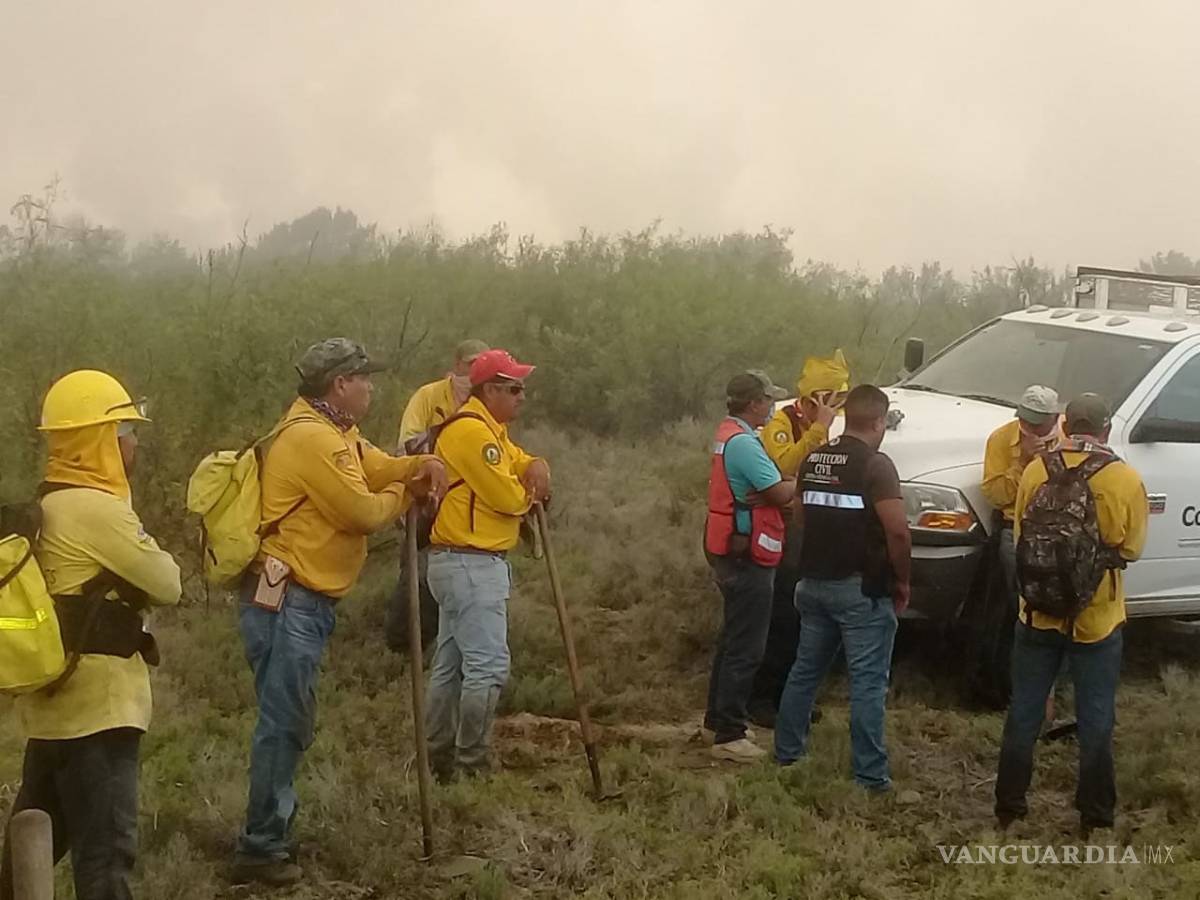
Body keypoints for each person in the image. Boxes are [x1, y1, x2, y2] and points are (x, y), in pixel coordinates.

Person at [233, 339, 446, 886]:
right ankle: (260, 846)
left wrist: (417, 464)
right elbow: (362, 511)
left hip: (303, 600)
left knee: (291, 720)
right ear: (339, 385)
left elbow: (377, 468)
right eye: (364, 379)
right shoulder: (312, 439)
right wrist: (410, 492)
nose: (372, 387)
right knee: (283, 724)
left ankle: (271, 831)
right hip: (288, 600)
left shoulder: (337, 433)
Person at [0, 370, 181, 900]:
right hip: (101, 715)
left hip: (51, 714)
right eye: (125, 429)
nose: (134, 442)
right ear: (99, 440)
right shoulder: (97, 510)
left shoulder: (46, 504)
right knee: (104, 863)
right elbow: (168, 583)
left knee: (23, 859)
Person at [995, 393, 1148, 836]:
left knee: (1024, 711)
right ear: (1104, 429)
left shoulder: (1037, 469)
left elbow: (1021, 532)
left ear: (1066, 425)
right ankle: (1095, 817)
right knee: (1097, 717)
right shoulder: (1123, 478)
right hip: (1096, 620)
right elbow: (1133, 549)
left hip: (1037, 613)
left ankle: (1008, 808)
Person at [774, 385, 911, 792]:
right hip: (860, 591)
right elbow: (899, 533)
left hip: (813, 584)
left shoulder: (815, 457)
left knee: (804, 672)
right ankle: (870, 778)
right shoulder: (876, 465)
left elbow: (799, 516)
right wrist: (902, 580)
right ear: (879, 421)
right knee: (868, 683)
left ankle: (787, 754)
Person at [424, 349, 550, 781]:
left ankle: (438, 758)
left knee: (452, 665)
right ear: (490, 389)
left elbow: (513, 459)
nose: (522, 396)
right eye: (514, 388)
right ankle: (470, 764)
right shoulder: (473, 434)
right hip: (470, 564)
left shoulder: (486, 429)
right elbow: (506, 496)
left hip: (462, 563)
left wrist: (534, 463)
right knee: (488, 666)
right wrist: (531, 494)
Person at [749, 350, 849, 727]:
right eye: (833, 400)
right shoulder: (780, 423)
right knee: (779, 618)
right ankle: (761, 698)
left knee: (802, 619)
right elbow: (788, 465)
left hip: (804, 529)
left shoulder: (817, 427)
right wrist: (819, 429)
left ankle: (791, 698)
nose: (837, 409)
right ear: (815, 400)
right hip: (774, 531)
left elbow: (805, 481)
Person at [702, 371, 796, 763]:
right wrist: (795, 482)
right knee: (747, 645)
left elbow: (769, 490)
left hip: (728, 547)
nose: (773, 406)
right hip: (747, 553)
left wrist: (775, 487)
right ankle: (730, 733)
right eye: (768, 400)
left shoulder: (728, 435)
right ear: (753, 403)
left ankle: (716, 720)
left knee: (732, 639)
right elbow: (779, 493)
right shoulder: (744, 443)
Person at [386, 339, 490, 655]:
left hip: (463, 503)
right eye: (470, 363)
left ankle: (443, 642)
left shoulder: (485, 400)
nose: (474, 370)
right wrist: (446, 445)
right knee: (417, 570)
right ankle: (405, 645)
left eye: (480, 363)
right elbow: (408, 444)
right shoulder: (428, 396)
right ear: (456, 364)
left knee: (456, 571)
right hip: (424, 499)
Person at [975, 385, 1063, 708]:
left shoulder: (1069, 436)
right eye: (1025, 421)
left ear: (1054, 419)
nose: (1029, 429)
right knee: (1019, 606)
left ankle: (1051, 685)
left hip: (1060, 530)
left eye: (1038, 424)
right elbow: (995, 496)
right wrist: (1024, 462)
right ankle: (1012, 682)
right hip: (1017, 527)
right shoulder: (1002, 439)